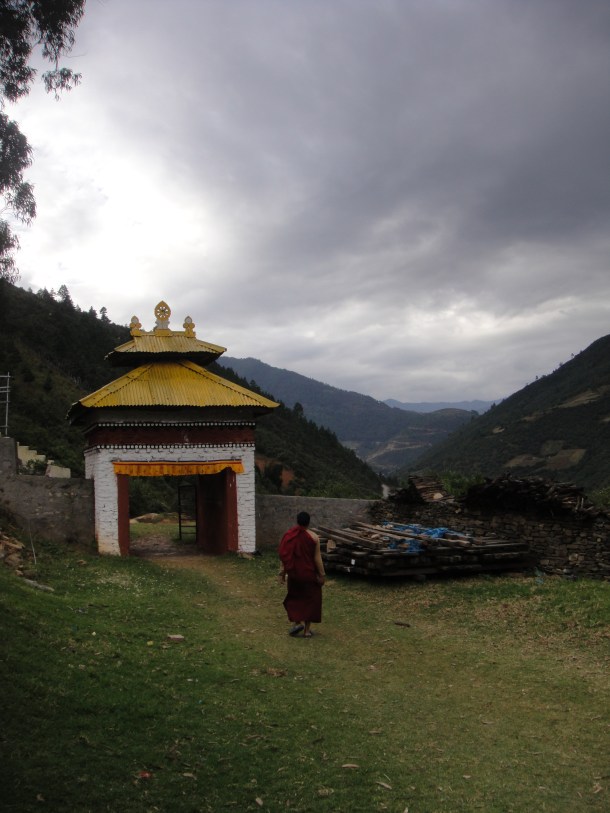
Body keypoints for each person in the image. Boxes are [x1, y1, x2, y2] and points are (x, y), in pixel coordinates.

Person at [278, 511, 325, 638]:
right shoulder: (314, 537)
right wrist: (322, 574)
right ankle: (307, 631)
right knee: (311, 599)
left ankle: (297, 623)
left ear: (297, 521)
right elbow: (317, 558)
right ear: (308, 522)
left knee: (295, 597)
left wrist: (282, 573)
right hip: (308, 574)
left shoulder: (289, 535)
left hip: (294, 574)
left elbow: (284, 556)